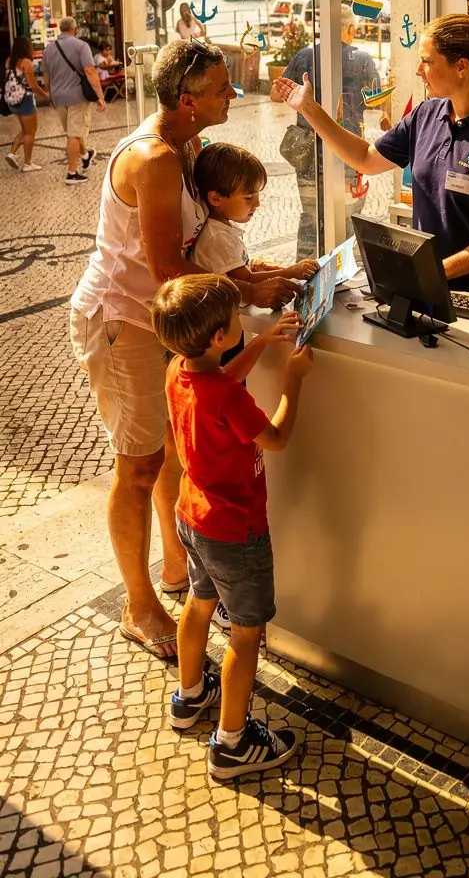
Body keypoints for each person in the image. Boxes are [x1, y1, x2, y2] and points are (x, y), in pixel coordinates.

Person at [71, 37, 298, 660]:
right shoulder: (155, 159)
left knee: (174, 453)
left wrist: (255, 274)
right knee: (139, 463)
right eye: (224, 87)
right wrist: (249, 284)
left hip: (164, 321)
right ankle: (139, 604)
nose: (236, 94)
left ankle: (178, 569)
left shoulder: (188, 145)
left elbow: (202, 249)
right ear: (188, 99)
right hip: (125, 320)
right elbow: (171, 269)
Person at [150, 273, 311, 780]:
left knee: (199, 603)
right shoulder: (228, 397)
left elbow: (220, 379)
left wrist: (263, 341)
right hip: (235, 532)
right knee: (245, 633)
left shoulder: (179, 370)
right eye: (238, 319)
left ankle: (190, 695)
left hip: (192, 518)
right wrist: (294, 380)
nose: (243, 322)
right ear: (219, 336)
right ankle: (232, 743)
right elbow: (277, 437)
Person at [275, 14, 469, 300]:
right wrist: (310, 110)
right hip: (427, 288)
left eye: (427, 61)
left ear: (461, 67)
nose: (418, 70)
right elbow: (365, 158)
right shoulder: (426, 115)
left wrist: (436, 270)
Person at [282, 5, 383, 260]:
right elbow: (376, 99)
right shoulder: (362, 59)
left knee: (311, 213)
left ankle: (304, 270)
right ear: (349, 29)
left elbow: (277, 93)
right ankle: (344, 270)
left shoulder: (304, 55)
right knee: (347, 213)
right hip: (346, 148)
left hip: (307, 149)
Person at [192, 141, 319, 288]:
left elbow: (237, 271)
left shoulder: (223, 227)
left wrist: (252, 265)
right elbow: (247, 281)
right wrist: (291, 272)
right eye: (248, 197)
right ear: (216, 198)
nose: (257, 203)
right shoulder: (218, 237)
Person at [42, 16, 106, 184]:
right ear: (74, 29)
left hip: (58, 97)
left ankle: (85, 155)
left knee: (73, 133)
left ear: (60, 29)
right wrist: (100, 96)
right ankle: (71, 173)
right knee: (74, 134)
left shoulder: (49, 48)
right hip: (77, 96)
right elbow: (90, 71)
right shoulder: (81, 46)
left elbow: (46, 75)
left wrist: (49, 93)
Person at [4, 34, 49, 172]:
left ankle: (12, 154)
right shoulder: (26, 63)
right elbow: (33, 85)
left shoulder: (9, 61)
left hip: (13, 101)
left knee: (25, 130)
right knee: (31, 132)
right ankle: (28, 163)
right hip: (25, 101)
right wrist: (46, 95)